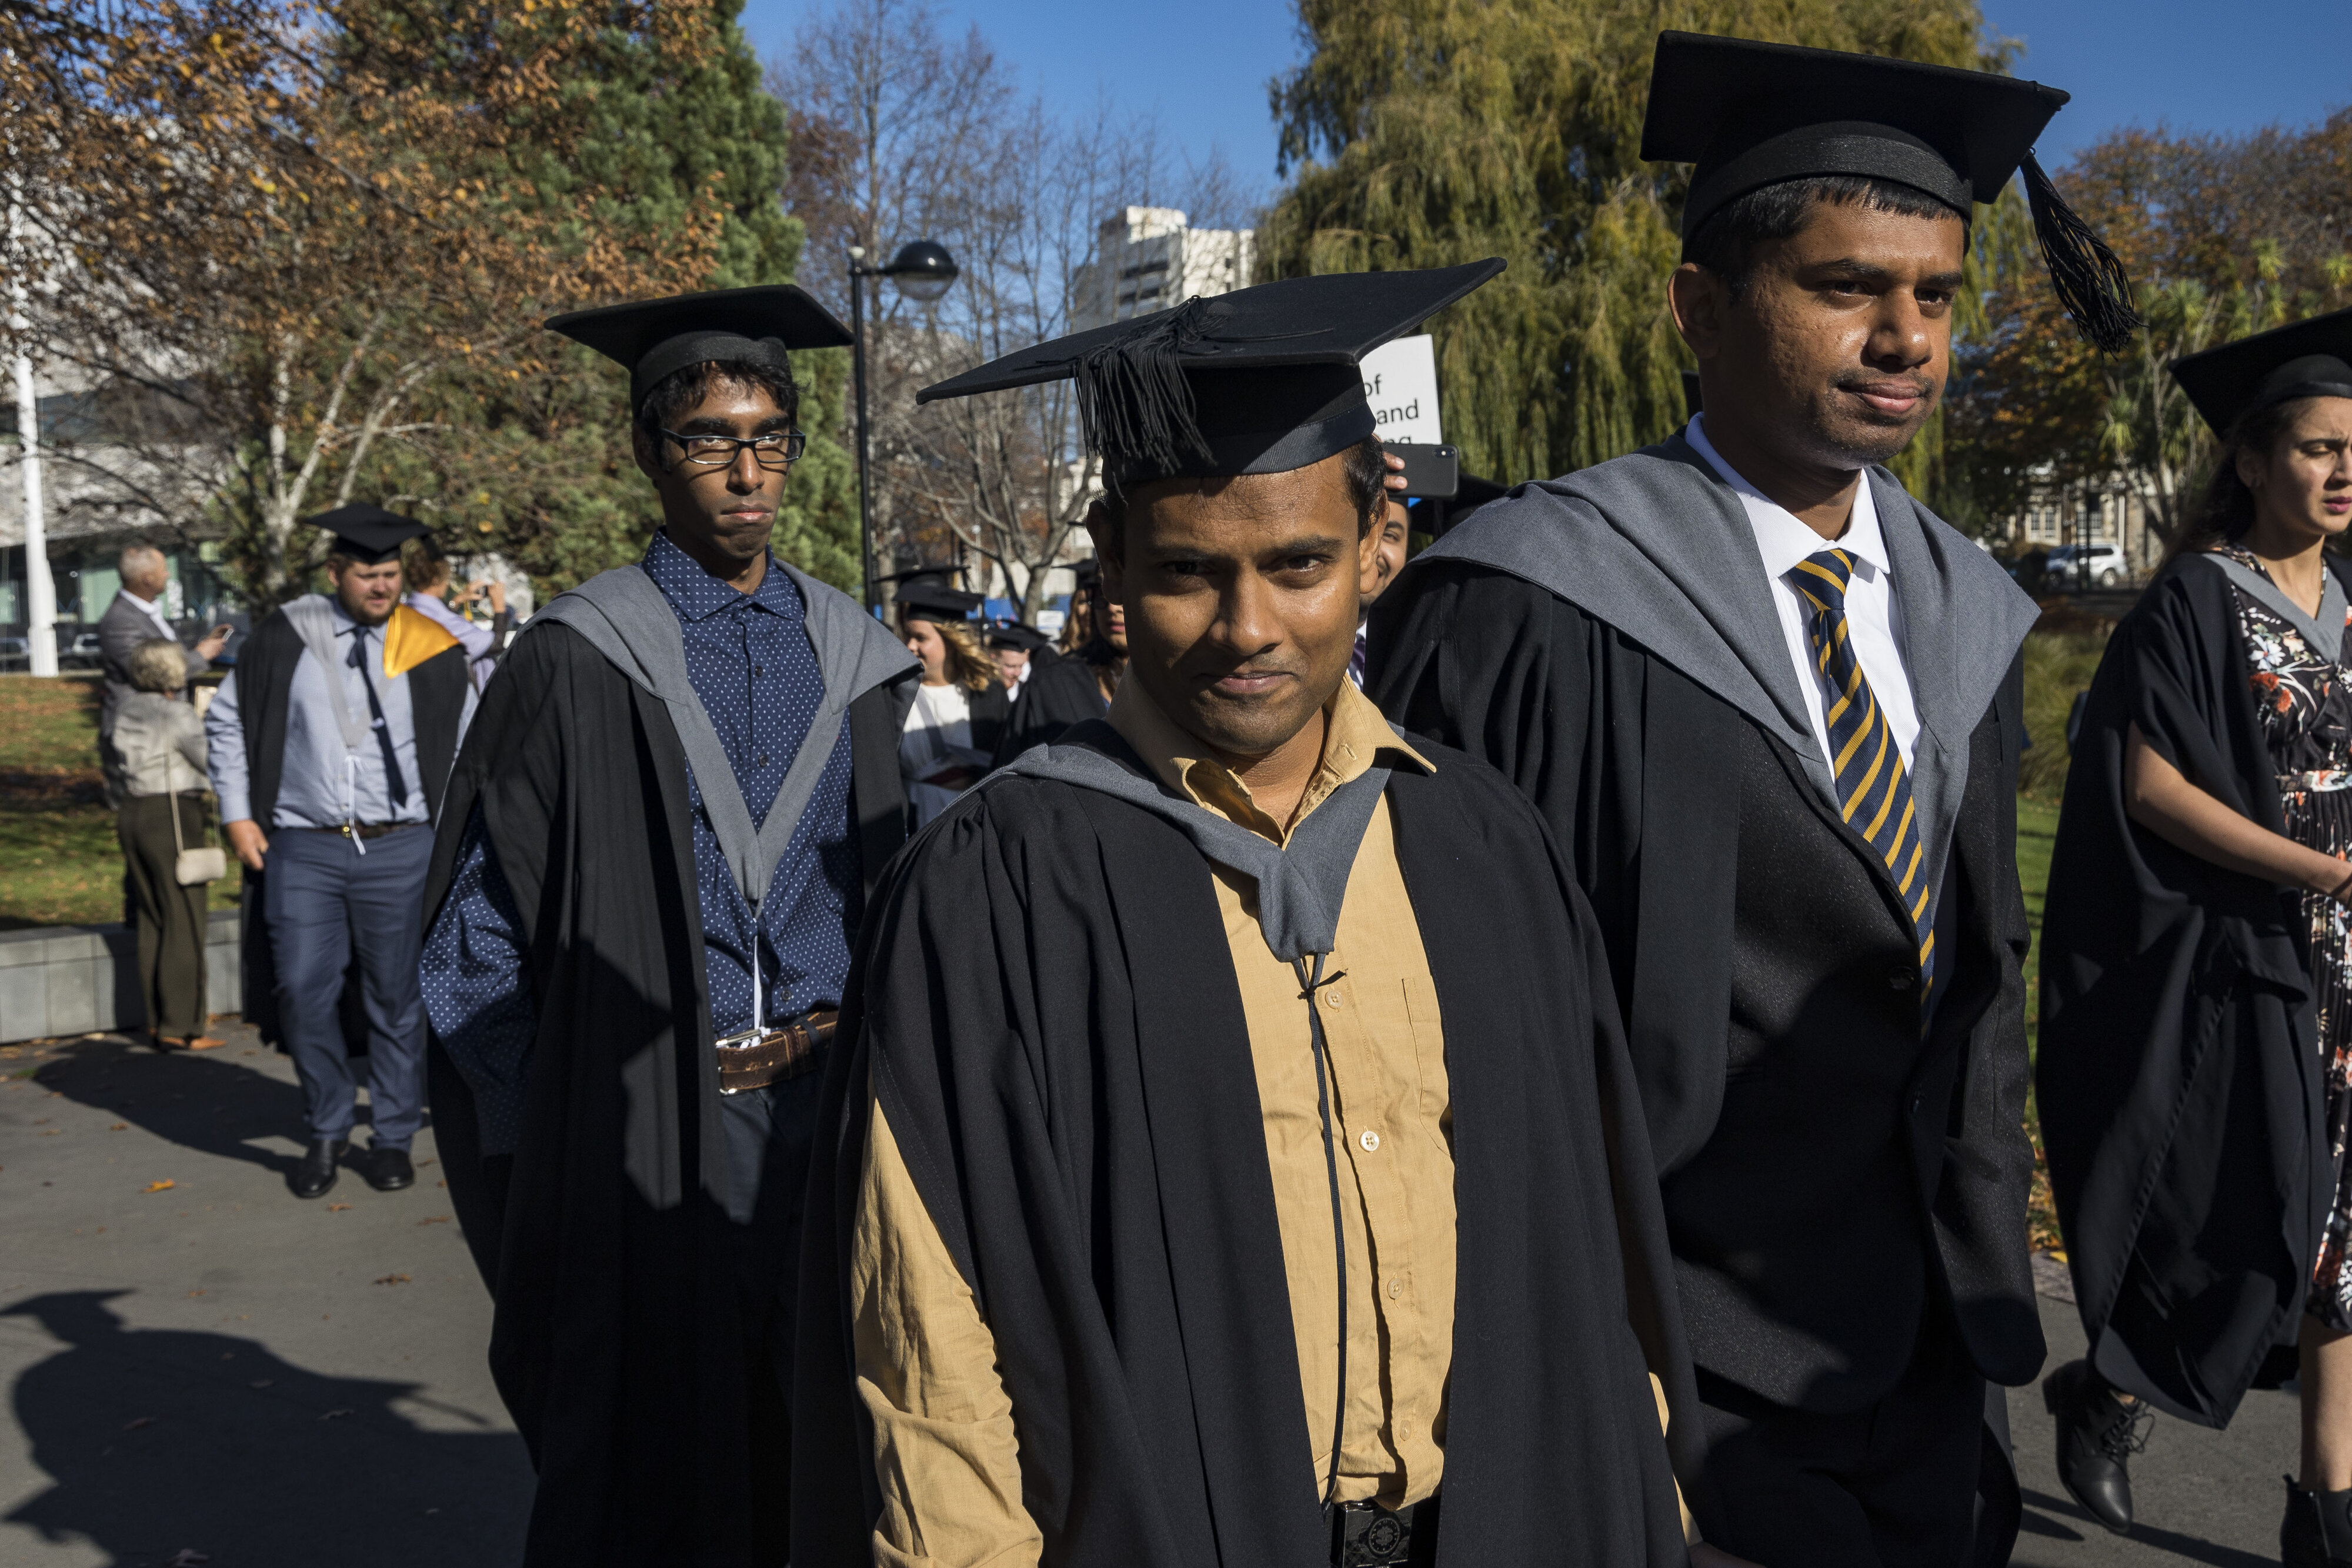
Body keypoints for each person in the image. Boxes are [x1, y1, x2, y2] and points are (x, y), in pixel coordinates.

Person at [792, 261, 1747, 1568]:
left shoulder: (1483, 846)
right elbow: (925, 1318)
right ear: (1114, 560)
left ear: (1380, 542)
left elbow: (1591, 1235)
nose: (1248, 628)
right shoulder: (997, 884)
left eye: (1298, 563)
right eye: (1188, 570)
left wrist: (1647, 1499)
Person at [1368, 32, 2139, 1567]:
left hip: (1923, 1356)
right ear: (1695, 307)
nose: (1902, 336)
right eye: (1843, 286)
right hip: (1657, 1353)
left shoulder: (1966, 615)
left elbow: (1976, 998)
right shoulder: (1531, 601)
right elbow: (1436, 1024)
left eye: (1931, 295)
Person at [417, 284, 919, 1567]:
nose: (748, 470)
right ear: (649, 450)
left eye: (771, 437)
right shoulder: (576, 660)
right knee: (650, 1459)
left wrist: (851, 1042)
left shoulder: (850, 654)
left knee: (829, 1431)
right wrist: (550, 1129)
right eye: (710, 439)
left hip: (826, 1115)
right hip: (644, 1133)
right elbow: (476, 930)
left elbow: (888, 886)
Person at [2037, 308, 2352, 1561]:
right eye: (2319, 447)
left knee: (2342, 1244)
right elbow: (2150, 787)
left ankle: (2324, 1513)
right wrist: (2321, 868)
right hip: (2258, 952)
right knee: (2247, 1213)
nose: (2342, 470)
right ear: (2249, 457)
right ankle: (2105, 1384)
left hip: (2348, 960)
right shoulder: (2195, 604)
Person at [205, 505, 476, 1200]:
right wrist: (236, 812)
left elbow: (472, 746)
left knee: (396, 998)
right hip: (304, 844)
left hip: (403, 843)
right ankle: (327, 1122)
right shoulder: (285, 637)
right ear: (336, 573)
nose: (381, 586)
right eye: (367, 574)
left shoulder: (432, 643)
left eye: (390, 573)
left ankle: (389, 1135)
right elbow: (229, 721)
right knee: (301, 987)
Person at [112, 637, 222, 1052]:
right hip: (174, 813)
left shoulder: (128, 708)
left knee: (153, 918)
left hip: (134, 811)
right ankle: (183, 1025)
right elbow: (210, 759)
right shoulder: (176, 714)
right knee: (185, 920)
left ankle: (159, 1020)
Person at [98, 543, 228, 806]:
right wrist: (200, 656)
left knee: (176, 812)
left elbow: (164, 658)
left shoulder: (146, 612)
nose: (168, 575)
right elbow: (148, 670)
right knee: (150, 816)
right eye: (163, 570)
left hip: (165, 725)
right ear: (147, 578)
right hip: (140, 730)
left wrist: (200, 648)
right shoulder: (121, 620)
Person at [896, 581, 1009, 830]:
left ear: (951, 640)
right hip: (916, 823)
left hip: (978, 824)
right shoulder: (896, 696)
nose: (910, 646)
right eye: (908, 636)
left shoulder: (987, 692)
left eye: (920, 638)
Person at [402, 539, 508, 689]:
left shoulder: (409, 608)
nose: (448, 584)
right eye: (447, 579)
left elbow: (440, 619)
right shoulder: (442, 619)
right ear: (436, 579)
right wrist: (499, 606)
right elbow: (496, 643)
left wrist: (458, 600)